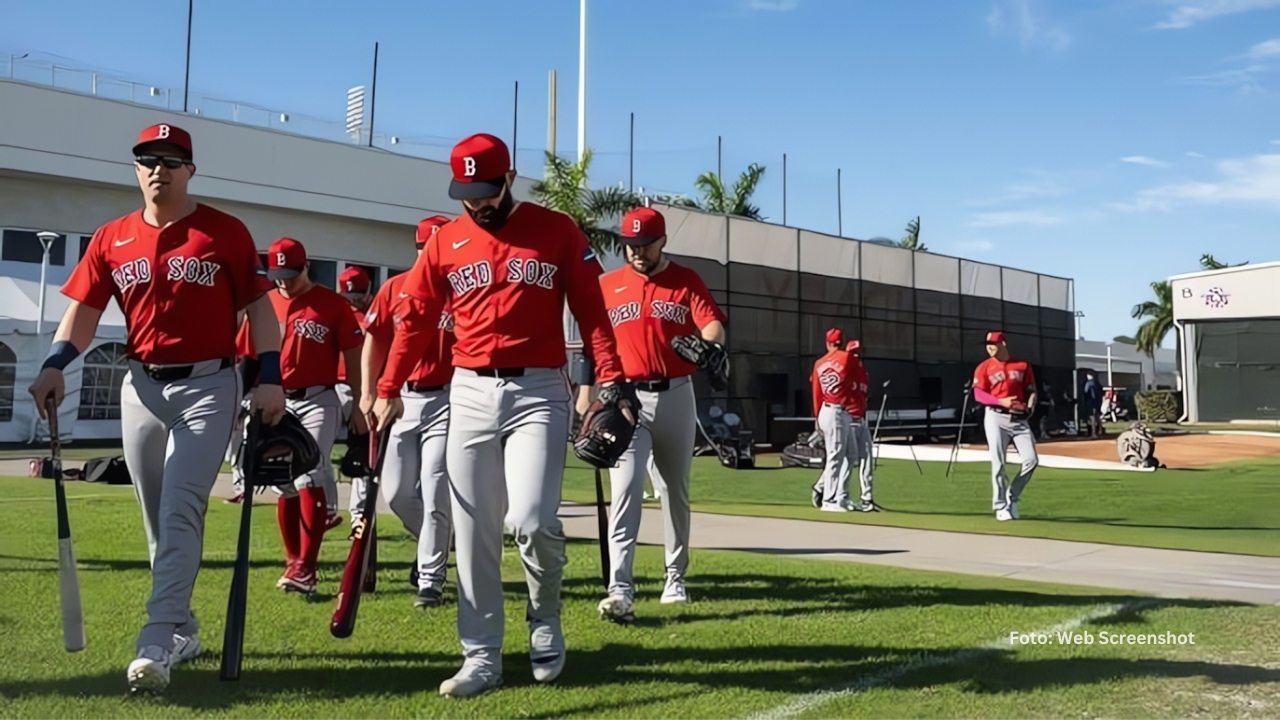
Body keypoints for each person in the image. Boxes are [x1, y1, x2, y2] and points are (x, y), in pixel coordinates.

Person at [27, 123, 286, 692]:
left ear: (190, 169)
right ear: (136, 168)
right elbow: (86, 310)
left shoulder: (224, 232)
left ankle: (155, 638)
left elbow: (260, 309)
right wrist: (53, 364)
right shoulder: (111, 236)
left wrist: (270, 377)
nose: (158, 170)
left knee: (179, 510)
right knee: (154, 516)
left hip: (209, 385)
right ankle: (184, 626)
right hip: (140, 384)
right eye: (148, 160)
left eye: (171, 160)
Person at [372, 133, 627, 698]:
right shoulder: (446, 242)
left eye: (486, 190)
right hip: (467, 391)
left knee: (531, 520)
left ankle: (544, 617)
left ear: (510, 178)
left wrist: (608, 378)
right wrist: (388, 386)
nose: (477, 203)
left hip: (538, 388)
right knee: (473, 527)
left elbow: (592, 309)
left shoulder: (556, 230)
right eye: (467, 193)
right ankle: (481, 653)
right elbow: (413, 319)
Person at [594, 207, 728, 623]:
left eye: (645, 244)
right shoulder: (609, 284)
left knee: (675, 490)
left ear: (662, 241)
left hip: (676, 395)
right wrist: (592, 392)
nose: (637, 252)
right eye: (630, 244)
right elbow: (596, 338)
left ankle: (675, 577)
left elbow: (711, 324)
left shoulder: (685, 280)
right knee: (626, 489)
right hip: (626, 398)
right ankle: (620, 587)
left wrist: (710, 348)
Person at [358, 214, 455, 608]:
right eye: (425, 248)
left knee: (434, 488)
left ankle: (430, 579)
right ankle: (440, 542)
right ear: (417, 250)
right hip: (400, 397)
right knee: (396, 493)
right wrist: (367, 391)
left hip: (449, 397)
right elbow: (374, 338)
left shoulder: (462, 292)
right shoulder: (395, 288)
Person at [259, 237, 366, 593]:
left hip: (319, 397)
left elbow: (353, 357)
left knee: (309, 473)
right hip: (277, 399)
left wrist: (361, 403)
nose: (284, 282)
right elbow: (248, 353)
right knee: (282, 482)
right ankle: (294, 562)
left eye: (291, 274)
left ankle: (307, 566)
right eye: (278, 274)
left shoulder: (332, 305)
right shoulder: (266, 302)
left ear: (306, 267)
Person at [971, 331, 1038, 521]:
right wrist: (1002, 402)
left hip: (1018, 418)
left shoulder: (1022, 365)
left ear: (1004, 344)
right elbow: (979, 395)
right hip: (995, 417)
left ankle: (1012, 497)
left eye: (994, 343)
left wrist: (1030, 407)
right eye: (987, 344)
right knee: (999, 463)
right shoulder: (984, 367)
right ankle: (1000, 505)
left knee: (1031, 460)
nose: (990, 347)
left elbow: (1031, 390)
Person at [335, 265, 374, 531]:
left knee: (363, 453)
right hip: (336, 386)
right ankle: (325, 510)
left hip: (369, 390)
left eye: (358, 294)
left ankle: (359, 517)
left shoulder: (377, 310)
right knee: (314, 450)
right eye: (349, 296)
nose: (355, 300)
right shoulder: (337, 311)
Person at [808, 328, 858, 512]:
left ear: (827, 343)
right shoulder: (847, 358)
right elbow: (855, 381)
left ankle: (841, 496)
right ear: (841, 342)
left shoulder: (819, 363)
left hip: (827, 410)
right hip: (836, 410)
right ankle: (828, 500)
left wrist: (816, 419)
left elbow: (816, 393)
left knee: (850, 455)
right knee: (836, 456)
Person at [844, 340, 879, 511]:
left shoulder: (864, 373)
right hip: (847, 420)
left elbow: (864, 397)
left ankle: (867, 498)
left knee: (867, 459)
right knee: (847, 461)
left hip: (861, 420)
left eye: (859, 352)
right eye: (854, 352)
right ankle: (833, 493)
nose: (857, 355)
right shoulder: (843, 371)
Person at [1083, 372, 1104, 438]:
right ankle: (1100, 430)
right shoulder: (1097, 384)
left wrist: (1085, 401)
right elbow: (1102, 392)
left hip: (1091, 403)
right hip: (1098, 403)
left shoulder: (1088, 383)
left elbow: (1086, 393)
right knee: (1097, 416)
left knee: (1092, 418)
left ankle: (1094, 433)